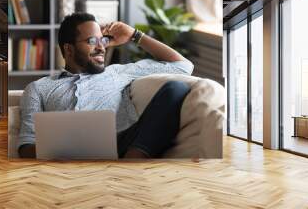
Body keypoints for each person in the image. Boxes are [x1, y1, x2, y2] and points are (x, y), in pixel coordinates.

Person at [18, 12, 193, 158]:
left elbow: (184, 66)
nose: (102, 47)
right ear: (69, 49)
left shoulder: (118, 72)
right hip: (70, 154)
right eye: (92, 41)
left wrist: (135, 35)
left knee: (177, 89)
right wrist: (59, 156)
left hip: (125, 143)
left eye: (103, 40)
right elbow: (26, 144)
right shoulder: (38, 88)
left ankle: (134, 159)